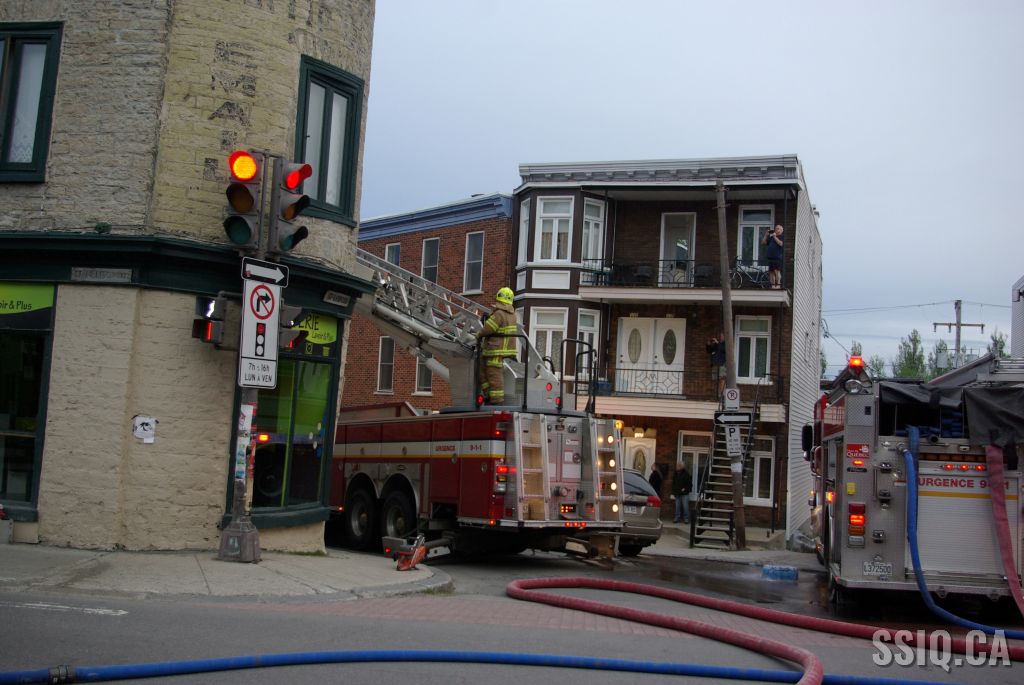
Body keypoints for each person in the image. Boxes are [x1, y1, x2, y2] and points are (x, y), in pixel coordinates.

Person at [476, 287, 518, 404]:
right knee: (482, 370)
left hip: (495, 350)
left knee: (493, 375)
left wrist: (478, 335)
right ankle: (488, 394)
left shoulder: (499, 314)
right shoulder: (513, 315)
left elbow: (488, 328)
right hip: (504, 351)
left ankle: (496, 400)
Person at [761, 224, 784, 289]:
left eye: (778, 228)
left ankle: (778, 285)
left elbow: (781, 244)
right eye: (776, 228)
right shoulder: (771, 238)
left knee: (777, 271)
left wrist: (775, 237)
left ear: (781, 230)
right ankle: (773, 285)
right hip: (770, 257)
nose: (776, 229)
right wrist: (766, 235)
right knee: (771, 272)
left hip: (777, 257)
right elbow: (763, 243)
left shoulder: (781, 236)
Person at [706, 332, 726, 398]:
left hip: (722, 364)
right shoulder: (717, 344)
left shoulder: (725, 344)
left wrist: (717, 343)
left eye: (722, 336)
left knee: (722, 379)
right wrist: (708, 345)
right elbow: (710, 351)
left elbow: (723, 350)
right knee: (716, 379)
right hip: (715, 364)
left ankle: (722, 395)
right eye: (720, 336)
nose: (721, 337)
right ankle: (717, 394)